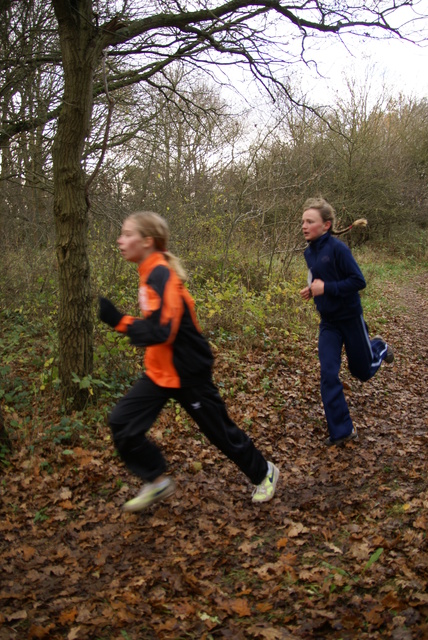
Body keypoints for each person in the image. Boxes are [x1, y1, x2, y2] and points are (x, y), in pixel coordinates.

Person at [98, 211, 279, 511]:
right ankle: (155, 481)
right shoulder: (148, 271)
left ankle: (264, 473)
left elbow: (163, 331)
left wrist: (119, 321)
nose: (120, 240)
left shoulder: (161, 274)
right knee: (122, 422)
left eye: (127, 234)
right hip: (160, 370)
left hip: (187, 371)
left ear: (147, 241)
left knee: (219, 432)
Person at [299, 197, 394, 447]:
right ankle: (342, 430)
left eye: (310, 221)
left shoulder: (338, 249)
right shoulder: (309, 253)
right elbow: (320, 280)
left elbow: (358, 282)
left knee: (361, 372)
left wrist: (327, 287)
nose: (304, 226)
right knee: (329, 373)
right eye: (303, 221)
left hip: (350, 318)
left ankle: (380, 348)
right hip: (328, 324)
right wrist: (312, 290)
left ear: (326, 225)